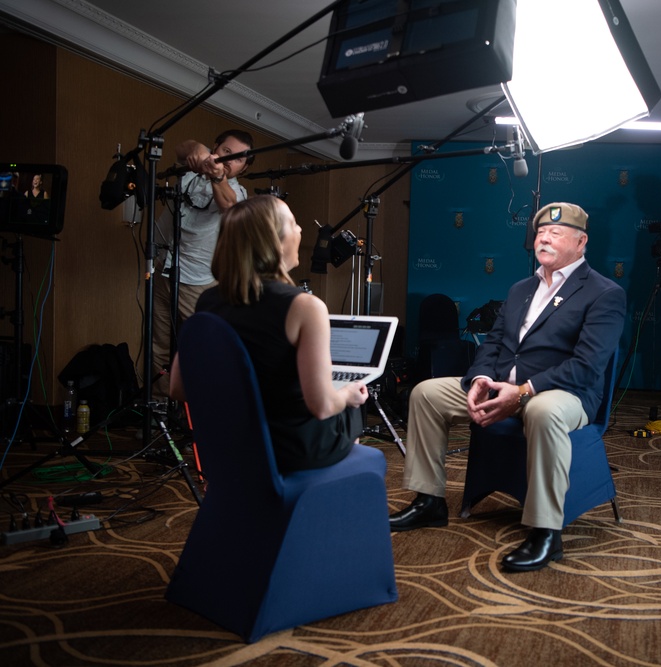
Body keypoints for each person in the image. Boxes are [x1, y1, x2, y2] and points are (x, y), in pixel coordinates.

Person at [389, 202, 626, 572]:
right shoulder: (521, 289)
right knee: (426, 393)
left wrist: (526, 390)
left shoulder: (603, 293)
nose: (544, 238)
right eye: (541, 233)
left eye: (556, 234)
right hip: (504, 386)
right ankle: (429, 501)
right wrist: (481, 379)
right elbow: (493, 345)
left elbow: (587, 366)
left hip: (563, 394)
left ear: (581, 243)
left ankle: (546, 532)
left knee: (543, 412)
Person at [168, 195, 369, 473]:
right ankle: (330, 498)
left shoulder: (207, 302)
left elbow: (178, 387)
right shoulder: (305, 307)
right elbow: (322, 406)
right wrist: (347, 394)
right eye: (294, 223)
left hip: (230, 445)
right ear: (274, 241)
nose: (300, 231)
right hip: (288, 451)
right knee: (351, 409)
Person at [153, 129, 254, 400]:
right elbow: (182, 146)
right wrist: (196, 146)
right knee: (157, 346)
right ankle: (159, 409)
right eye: (226, 152)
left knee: (203, 349)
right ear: (216, 147)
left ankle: (201, 415)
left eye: (238, 159)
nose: (228, 160)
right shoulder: (190, 171)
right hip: (163, 270)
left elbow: (229, 207)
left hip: (198, 282)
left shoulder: (236, 192)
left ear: (243, 169)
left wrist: (216, 174)